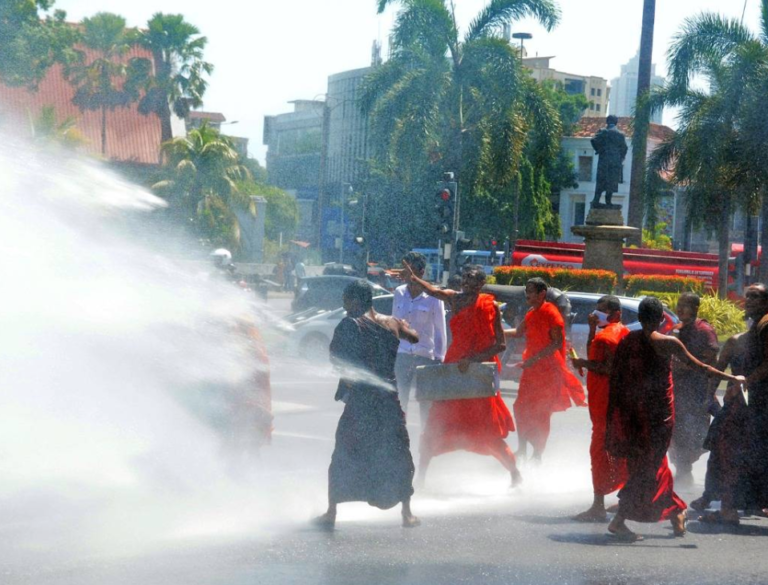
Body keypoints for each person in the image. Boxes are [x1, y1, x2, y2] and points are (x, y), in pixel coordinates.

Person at [605, 297, 744, 542]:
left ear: (639, 317)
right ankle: (620, 519)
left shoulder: (628, 339)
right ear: (661, 318)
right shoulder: (667, 342)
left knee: (654, 464)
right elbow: (701, 366)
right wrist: (733, 378)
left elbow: (616, 377)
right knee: (650, 466)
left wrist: (615, 413)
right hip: (658, 415)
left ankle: (676, 512)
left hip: (634, 413)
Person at [401, 263, 521, 488]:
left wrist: (473, 359)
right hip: (454, 368)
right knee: (437, 423)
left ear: (481, 284)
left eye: (472, 280)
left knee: (487, 429)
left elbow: (501, 344)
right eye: (465, 279)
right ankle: (421, 478)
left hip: (478, 373)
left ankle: (515, 474)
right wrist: (415, 279)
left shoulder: (490, 306)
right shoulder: (455, 299)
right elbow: (434, 291)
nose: (467, 284)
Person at [314, 280, 420, 529]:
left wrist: (347, 381)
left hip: (361, 401)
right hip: (389, 401)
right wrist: (403, 325)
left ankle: (331, 513)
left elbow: (337, 360)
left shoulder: (350, 324)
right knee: (398, 451)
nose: (344, 306)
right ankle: (407, 513)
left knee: (345, 451)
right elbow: (414, 338)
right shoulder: (392, 322)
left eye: (346, 301)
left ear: (355, 300)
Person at [507, 278, 586, 462]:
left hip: (548, 370)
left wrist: (534, 359)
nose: (527, 295)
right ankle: (522, 449)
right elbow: (518, 332)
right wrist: (496, 332)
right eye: (526, 291)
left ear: (542, 293)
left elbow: (556, 343)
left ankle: (537, 454)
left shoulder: (551, 313)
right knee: (520, 408)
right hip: (531, 369)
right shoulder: (531, 312)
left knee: (541, 412)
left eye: (531, 291)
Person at [570, 295, 629, 521]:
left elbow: (609, 368)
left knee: (600, 454)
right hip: (616, 404)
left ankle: (598, 506)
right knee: (619, 451)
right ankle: (624, 498)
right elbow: (596, 355)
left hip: (605, 405)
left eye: (603, 310)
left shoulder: (607, 337)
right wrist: (592, 330)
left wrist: (582, 363)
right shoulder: (621, 332)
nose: (597, 314)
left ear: (616, 313)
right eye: (597, 310)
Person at [691, 332, 748, 524]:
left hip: (759, 407)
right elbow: (719, 368)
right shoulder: (736, 341)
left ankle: (745, 504)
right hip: (736, 405)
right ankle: (710, 496)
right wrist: (709, 396)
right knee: (720, 450)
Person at [669, 292, 719, 486]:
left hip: (698, 391)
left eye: (685, 305)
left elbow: (711, 358)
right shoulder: (677, 329)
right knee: (677, 433)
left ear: (695, 308)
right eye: (679, 304)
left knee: (697, 434)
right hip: (678, 392)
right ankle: (683, 473)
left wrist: (687, 367)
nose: (680, 309)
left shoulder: (704, 330)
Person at [393, 252, 447, 427]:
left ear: (421, 272)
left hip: (425, 356)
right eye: (404, 268)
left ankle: (425, 434)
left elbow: (440, 330)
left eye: (409, 269)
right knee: (399, 398)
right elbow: (395, 324)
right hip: (402, 355)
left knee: (425, 401)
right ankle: (399, 431)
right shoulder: (399, 292)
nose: (405, 273)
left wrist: (439, 358)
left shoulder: (433, 296)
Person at [741, 284, 768, 516]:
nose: (748, 300)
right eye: (747, 296)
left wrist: (746, 382)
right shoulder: (757, 324)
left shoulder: (766, 325)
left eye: (755, 297)